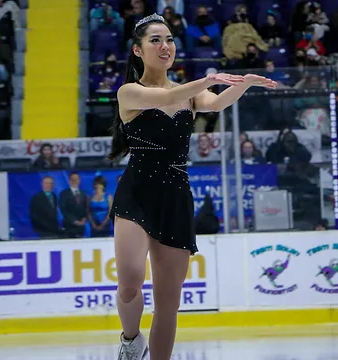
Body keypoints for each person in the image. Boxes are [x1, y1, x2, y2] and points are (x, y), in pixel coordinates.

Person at [107, 13, 277, 360]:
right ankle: (130, 339)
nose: (165, 46)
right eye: (155, 40)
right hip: (136, 192)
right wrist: (207, 79)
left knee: (169, 301)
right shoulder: (130, 92)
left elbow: (214, 103)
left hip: (175, 195)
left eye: (169, 39)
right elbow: (167, 99)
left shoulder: (189, 93)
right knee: (129, 283)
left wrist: (242, 83)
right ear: (138, 51)